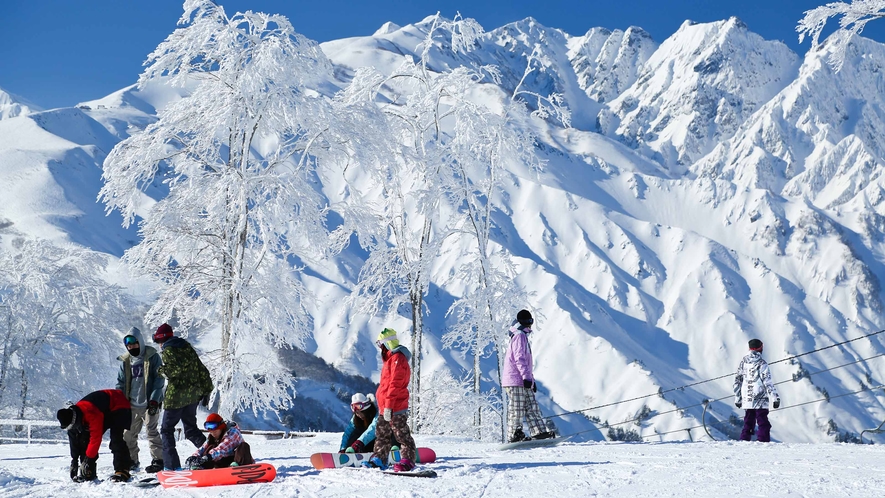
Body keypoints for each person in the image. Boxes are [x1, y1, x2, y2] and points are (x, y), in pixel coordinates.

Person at [153, 323, 214, 470]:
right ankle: (213, 455)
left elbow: (173, 371)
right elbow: (202, 369)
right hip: (193, 396)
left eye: (159, 342)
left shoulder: (168, 351)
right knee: (191, 429)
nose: (160, 345)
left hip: (176, 398)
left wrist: (160, 370)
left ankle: (171, 466)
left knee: (167, 429)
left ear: (162, 340)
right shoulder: (187, 347)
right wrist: (206, 390)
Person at [362, 328, 417, 472]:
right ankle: (379, 458)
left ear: (387, 343)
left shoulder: (398, 358)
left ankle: (408, 460)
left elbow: (396, 384)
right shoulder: (390, 359)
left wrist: (389, 406)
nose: (380, 348)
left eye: (381, 344)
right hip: (386, 405)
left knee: (401, 433)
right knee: (382, 433)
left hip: (396, 405)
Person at [116, 326, 165, 473]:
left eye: (134, 344)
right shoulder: (126, 361)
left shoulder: (152, 357)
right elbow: (121, 382)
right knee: (128, 434)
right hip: (132, 404)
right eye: (129, 345)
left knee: (151, 431)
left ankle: (158, 460)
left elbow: (159, 379)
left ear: (140, 342)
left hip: (150, 403)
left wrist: (155, 400)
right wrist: (120, 401)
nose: (131, 347)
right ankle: (132, 460)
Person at [57, 389, 133, 482]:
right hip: (104, 409)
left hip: (119, 405)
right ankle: (88, 473)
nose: (73, 428)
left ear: (75, 421)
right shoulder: (72, 417)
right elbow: (74, 439)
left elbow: (95, 439)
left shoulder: (90, 413)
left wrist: (88, 460)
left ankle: (122, 471)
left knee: (116, 440)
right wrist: (74, 460)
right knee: (84, 439)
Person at [502, 309, 554, 443]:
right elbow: (519, 358)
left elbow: (526, 361)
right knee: (517, 408)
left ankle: (539, 432)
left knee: (532, 406)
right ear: (524, 322)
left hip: (523, 379)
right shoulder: (519, 335)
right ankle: (514, 435)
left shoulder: (521, 335)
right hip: (515, 379)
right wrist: (526, 377)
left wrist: (531, 380)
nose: (530, 325)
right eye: (529, 322)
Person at [734, 338, 781, 442]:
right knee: (763, 422)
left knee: (748, 422)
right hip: (760, 398)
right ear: (761, 348)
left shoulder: (743, 362)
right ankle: (763, 442)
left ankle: (744, 441)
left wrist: (738, 397)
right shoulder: (762, 363)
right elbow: (767, 382)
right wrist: (775, 398)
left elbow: (738, 380)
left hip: (747, 396)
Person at [185, 413, 254, 469]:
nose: (211, 431)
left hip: (239, 460)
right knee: (211, 446)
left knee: (244, 446)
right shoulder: (213, 436)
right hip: (225, 462)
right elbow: (203, 447)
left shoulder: (233, 432)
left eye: (213, 426)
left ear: (220, 426)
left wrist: (208, 457)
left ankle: (236, 467)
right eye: (208, 426)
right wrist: (195, 456)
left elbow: (222, 449)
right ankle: (200, 468)